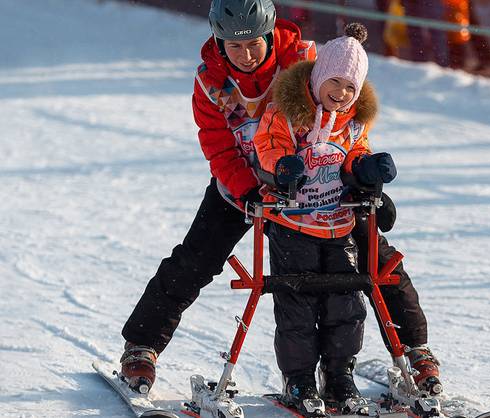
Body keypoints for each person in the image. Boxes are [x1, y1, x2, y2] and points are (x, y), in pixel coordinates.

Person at [118, 0, 441, 398]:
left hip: (317, 189)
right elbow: (218, 147)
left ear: (270, 34)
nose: (247, 55)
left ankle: (415, 350)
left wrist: (362, 181)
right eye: (234, 47)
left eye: (254, 43)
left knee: (375, 256)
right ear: (219, 44)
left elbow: (345, 118)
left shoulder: (304, 59)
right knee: (195, 259)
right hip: (245, 184)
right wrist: (251, 192)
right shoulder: (210, 82)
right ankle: (142, 345)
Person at [252, 23, 393, 409]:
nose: (342, 94)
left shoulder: (353, 122)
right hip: (293, 224)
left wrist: (367, 169)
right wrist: (283, 167)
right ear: (317, 77)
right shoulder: (285, 114)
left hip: (338, 223)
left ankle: (339, 376)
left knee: (345, 303)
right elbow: (265, 148)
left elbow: (354, 156)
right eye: (335, 82)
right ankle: (298, 379)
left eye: (351, 87)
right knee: (297, 305)